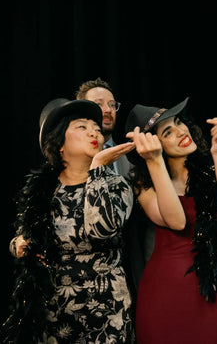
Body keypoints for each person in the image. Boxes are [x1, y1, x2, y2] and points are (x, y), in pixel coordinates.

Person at [2, 98, 136, 344]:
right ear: (59, 143)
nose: (94, 131)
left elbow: (101, 229)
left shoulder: (117, 184)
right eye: (82, 127)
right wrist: (18, 245)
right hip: (55, 313)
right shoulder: (41, 190)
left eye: (96, 128)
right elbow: (20, 237)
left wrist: (96, 169)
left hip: (105, 312)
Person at [124, 97, 217, 344]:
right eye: (168, 131)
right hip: (164, 292)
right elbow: (177, 221)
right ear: (153, 144)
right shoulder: (143, 183)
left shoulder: (209, 172)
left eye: (180, 122)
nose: (181, 131)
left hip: (209, 289)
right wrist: (155, 161)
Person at [75, 77, 153, 295]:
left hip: (131, 261)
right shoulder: (71, 160)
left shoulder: (131, 157)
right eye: (99, 104)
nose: (108, 110)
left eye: (112, 104)